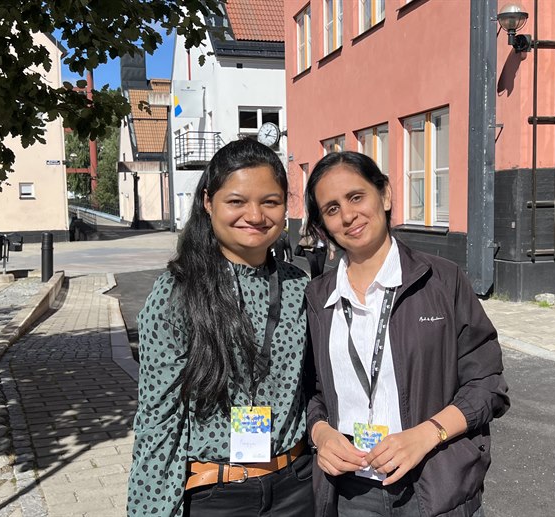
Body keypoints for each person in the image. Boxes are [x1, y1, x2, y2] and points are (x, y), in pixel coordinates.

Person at [303, 151, 510, 517]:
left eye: (356, 197)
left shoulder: (442, 281)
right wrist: (321, 433)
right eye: (332, 209)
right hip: (351, 493)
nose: (348, 215)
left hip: (433, 485)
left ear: (384, 195)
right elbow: (312, 391)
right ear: (323, 225)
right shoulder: (318, 298)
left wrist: (426, 435)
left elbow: (487, 383)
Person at [127, 139, 314, 516]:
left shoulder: (300, 285)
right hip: (218, 495)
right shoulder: (178, 292)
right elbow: (158, 417)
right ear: (208, 203)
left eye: (270, 202)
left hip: (296, 486)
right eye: (237, 201)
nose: (256, 215)